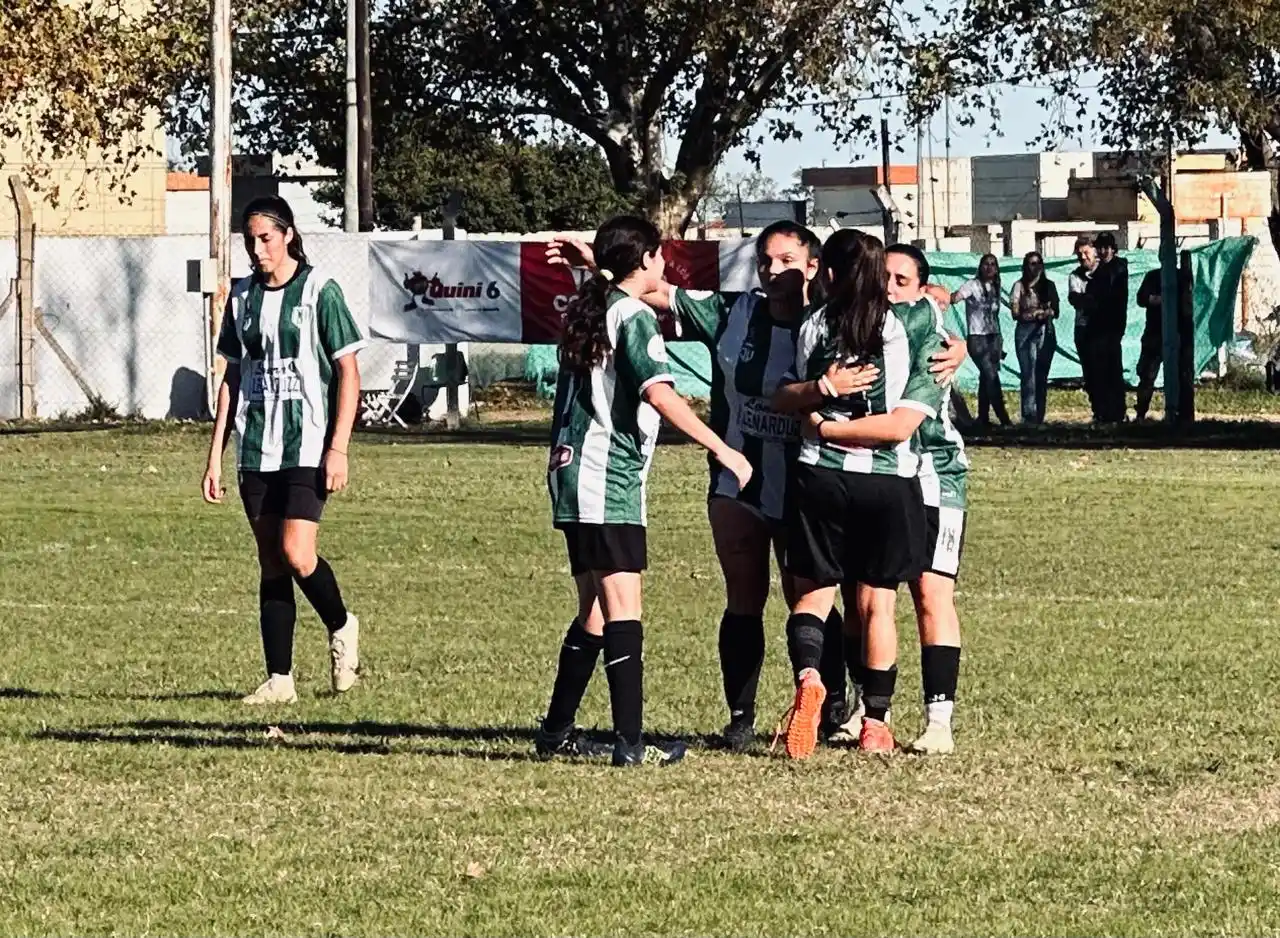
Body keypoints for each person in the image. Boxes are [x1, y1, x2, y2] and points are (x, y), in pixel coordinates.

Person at [546, 223, 969, 752]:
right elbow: (649, 287)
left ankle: (829, 702)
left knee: (814, 595)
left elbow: (927, 315)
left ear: (815, 268)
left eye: (787, 261)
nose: (772, 272)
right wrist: (598, 261)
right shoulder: (733, 312)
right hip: (742, 479)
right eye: (765, 261)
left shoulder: (834, 319)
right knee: (745, 596)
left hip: (808, 474)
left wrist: (961, 347)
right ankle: (742, 718)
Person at [534, 215, 753, 768]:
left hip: (573, 473)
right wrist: (723, 449)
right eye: (659, 257)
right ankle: (630, 744)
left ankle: (556, 732)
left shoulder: (597, 302)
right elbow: (660, 395)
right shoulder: (631, 315)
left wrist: (594, 264)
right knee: (623, 608)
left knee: (595, 611)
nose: (665, 266)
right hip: (604, 478)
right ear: (649, 259)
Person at [771, 230, 943, 759]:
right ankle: (875, 722)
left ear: (827, 275)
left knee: (814, 595)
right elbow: (896, 427)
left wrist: (821, 421)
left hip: (819, 476)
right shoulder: (902, 326)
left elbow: (787, 397)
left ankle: (809, 680)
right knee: (877, 605)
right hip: (886, 480)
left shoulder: (814, 323)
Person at [202, 195, 364, 705]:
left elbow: (348, 373)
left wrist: (338, 448)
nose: (256, 249)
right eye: (249, 240)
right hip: (256, 449)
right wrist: (213, 456)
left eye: (265, 238)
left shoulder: (320, 291)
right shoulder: (243, 297)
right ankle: (280, 680)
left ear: (288, 235)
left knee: (297, 553)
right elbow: (232, 376)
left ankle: (341, 626)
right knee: (271, 561)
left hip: (307, 446)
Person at [950, 254, 1011, 427]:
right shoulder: (972, 285)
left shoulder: (995, 287)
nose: (989, 267)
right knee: (992, 377)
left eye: (993, 264)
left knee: (986, 378)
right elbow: (955, 298)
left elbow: (995, 316)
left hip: (993, 337)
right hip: (977, 338)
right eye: (986, 264)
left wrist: (999, 341)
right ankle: (1003, 417)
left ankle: (982, 418)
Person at [1009, 251, 1061, 425]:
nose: (1035, 266)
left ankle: (1040, 414)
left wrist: (1045, 312)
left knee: (1041, 375)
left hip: (1045, 331)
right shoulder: (1019, 286)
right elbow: (1015, 313)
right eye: (1031, 263)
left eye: (1038, 263)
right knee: (1028, 373)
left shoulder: (1049, 286)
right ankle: (1028, 414)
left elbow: (1056, 311)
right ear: (1025, 266)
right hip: (1025, 331)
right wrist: (1032, 314)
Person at [1091, 232, 1130, 423]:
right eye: (1101, 247)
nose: (1104, 251)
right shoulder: (1101, 270)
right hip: (1100, 326)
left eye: (1107, 248)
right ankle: (1105, 411)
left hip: (1112, 326)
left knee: (1113, 371)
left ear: (1113, 249)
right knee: (1102, 371)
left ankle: (1117, 411)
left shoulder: (1118, 268)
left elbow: (1108, 297)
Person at [1067, 236, 1101, 421]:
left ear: (1094, 252)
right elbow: (1075, 299)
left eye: (1086, 253)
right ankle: (1097, 409)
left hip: (1103, 327)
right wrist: (1093, 301)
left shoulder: (1104, 272)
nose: (1083, 257)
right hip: (1083, 328)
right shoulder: (1075, 276)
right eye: (1079, 254)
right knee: (1089, 371)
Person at [1135, 268, 1162, 421]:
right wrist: (1156, 300)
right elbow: (1141, 298)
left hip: (1176, 332)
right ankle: (1141, 413)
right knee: (1147, 375)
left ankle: (1180, 414)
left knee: (1181, 374)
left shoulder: (1181, 276)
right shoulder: (1153, 276)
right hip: (1153, 332)